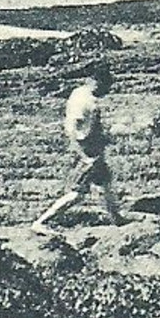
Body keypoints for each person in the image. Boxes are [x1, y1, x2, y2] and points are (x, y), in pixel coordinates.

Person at [33, 64, 125, 229]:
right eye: (107, 87)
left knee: (105, 184)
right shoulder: (86, 101)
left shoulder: (79, 92)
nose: (108, 91)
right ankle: (41, 222)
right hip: (86, 149)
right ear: (97, 82)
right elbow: (72, 129)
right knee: (77, 193)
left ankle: (116, 219)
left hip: (93, 147)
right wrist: (84, 156)